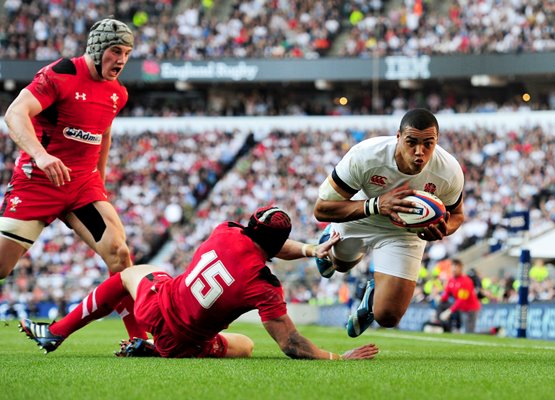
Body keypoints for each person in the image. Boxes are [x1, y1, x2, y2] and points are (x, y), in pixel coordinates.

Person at [20, 206, 379, 360]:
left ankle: (60, 331)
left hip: (156, 305)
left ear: (250, 226)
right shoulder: (263, 284)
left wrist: (308, 249)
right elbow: (292, 344)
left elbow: (266, 243)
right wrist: (336, 357)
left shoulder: (225, 230)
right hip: (185, 345)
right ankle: (146, 345)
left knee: (129, 273)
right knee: (248, 346)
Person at [0, 18, 146, 339]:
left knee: (120, 254)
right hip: (38, 182)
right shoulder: (60, 74)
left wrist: (100, 184)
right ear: (97, 49)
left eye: (127, 53)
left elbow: (103, 133)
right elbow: (14, 113)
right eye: (115, 51)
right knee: (1, 267)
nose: (121, 60)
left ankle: (139, 339)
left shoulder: (117, 93)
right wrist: (41, 155)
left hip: (81, 187)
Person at [313, 108, 465, 337]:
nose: (419, 152)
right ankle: (330, 237)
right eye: (411, 142)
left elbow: (457, 216)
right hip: (361, 215)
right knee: (342, 266)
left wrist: (443, 230)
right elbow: (321, 209)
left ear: (437, 141)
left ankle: (371, 296)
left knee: (388, 317)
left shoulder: (449, 170)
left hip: (404, 232)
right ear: (398, 137)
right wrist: (375, 205)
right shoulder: (365, 156)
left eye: (428, 144)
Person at [439, 259, 481, 333]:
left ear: (461, 268)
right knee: (464, 329)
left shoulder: (466, 281)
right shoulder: (451, 280)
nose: (454, 269)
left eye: (456, 267)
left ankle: (493, 331)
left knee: (469, 331)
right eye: (453, 266)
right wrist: (440, 298)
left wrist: (449, 311)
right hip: (462, 309)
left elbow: (462, 299)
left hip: (471, 309)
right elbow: (446, 293)